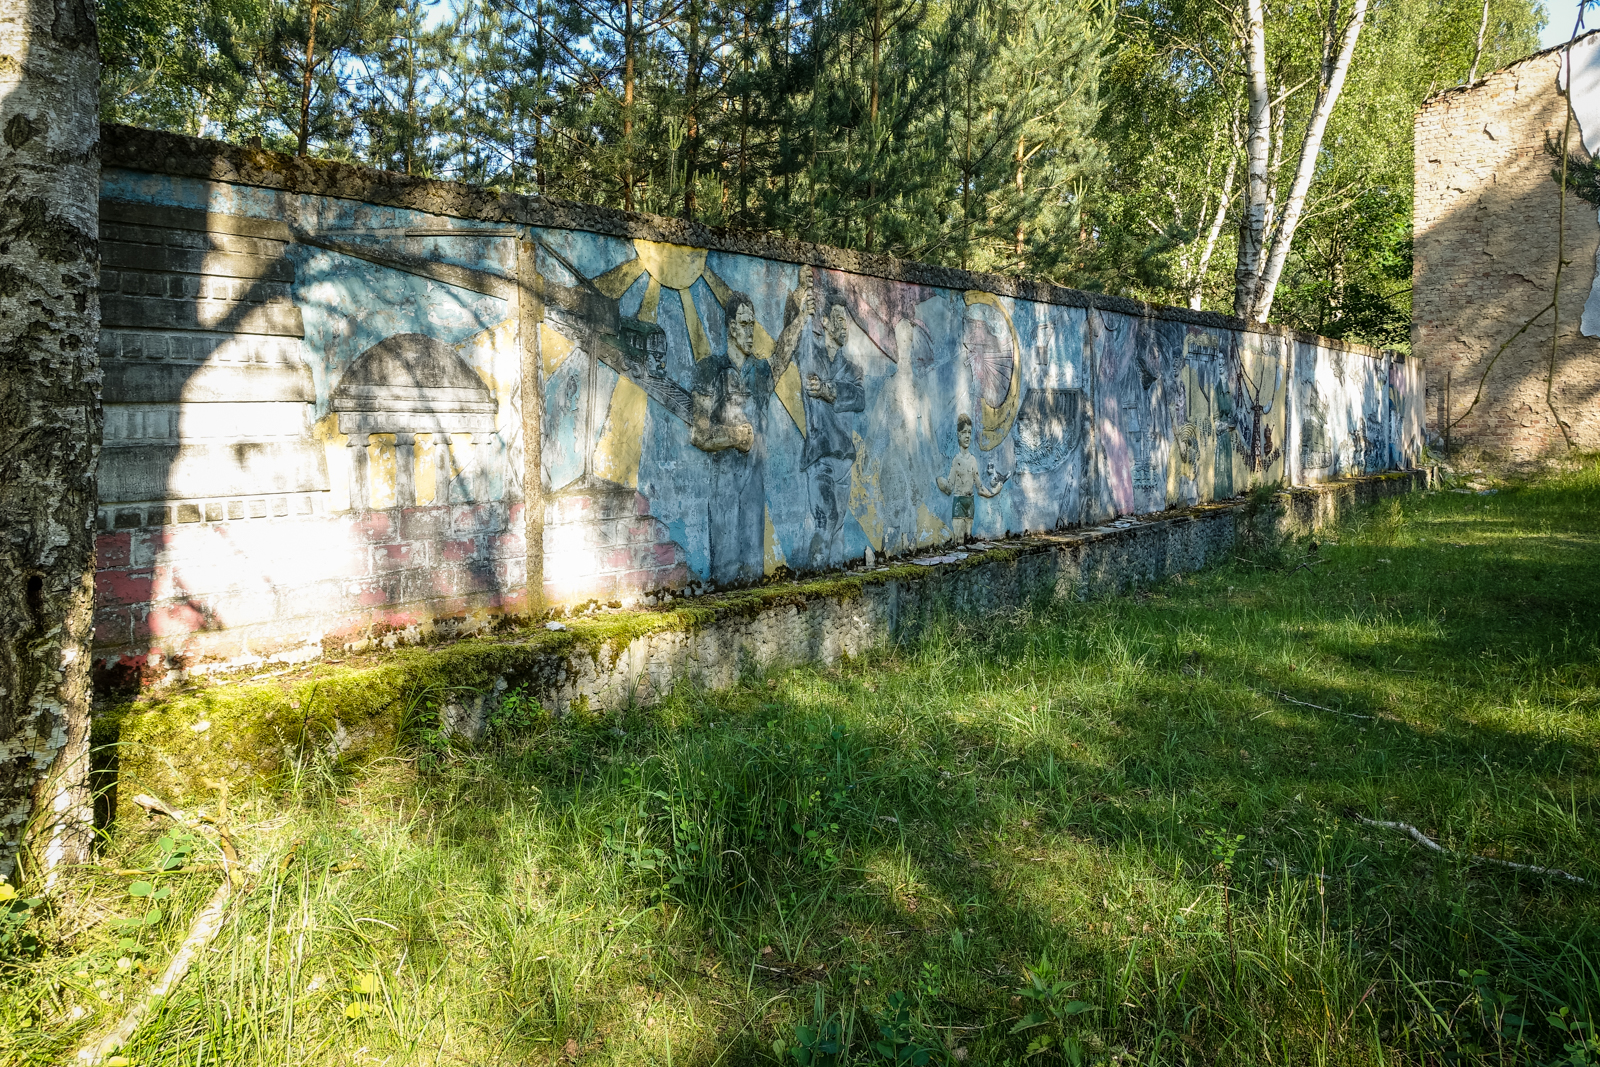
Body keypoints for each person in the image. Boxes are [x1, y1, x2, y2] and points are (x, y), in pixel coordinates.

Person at [690, 280, 812, 586]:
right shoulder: (711, 370)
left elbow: (783, 352)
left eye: (753, 324)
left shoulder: (760, 373)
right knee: (727, 571)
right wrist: (732, 436)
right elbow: (698, 433)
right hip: (726, 484)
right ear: (731, 327)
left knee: (753, 572)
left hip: (754, 483)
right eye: (744, 324)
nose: (750, 331)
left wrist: (798, 317)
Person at [798, 300, 865, 567]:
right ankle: (814, 579)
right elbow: (801, 340)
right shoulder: (811, 356)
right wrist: (803, 307)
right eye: (837, 318)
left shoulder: (852, 369)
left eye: (845, 319)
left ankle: (835, 585)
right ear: (823, 322)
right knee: (827, 517)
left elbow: (859, 398)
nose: (843, 325)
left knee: (838, 527)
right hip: (820, 456)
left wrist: (828, 390)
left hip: (844, 458)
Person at [936, 414, 1008, 543]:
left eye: (969, 432)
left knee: (968, 539)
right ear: (958, 434)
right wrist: (939, 481)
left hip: (970, 503)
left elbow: (979, 487)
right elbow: (949, 487)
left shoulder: (973, 460)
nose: (967, 436)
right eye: (964, 432)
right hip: (959, 502)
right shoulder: (956, 460)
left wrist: (995, 491)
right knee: (959, 541)